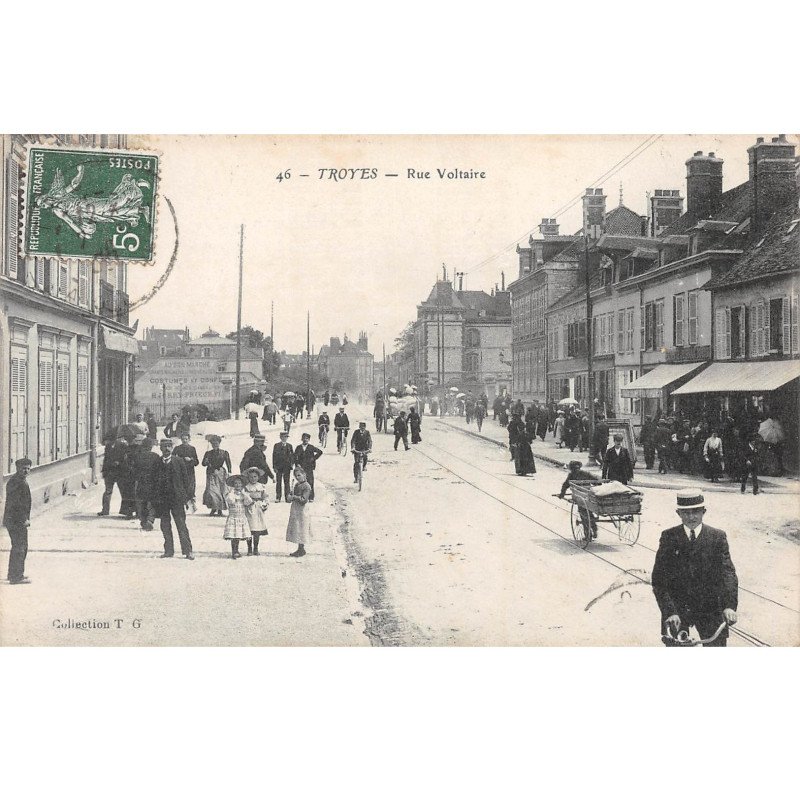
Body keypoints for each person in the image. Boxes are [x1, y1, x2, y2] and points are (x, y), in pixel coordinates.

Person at [652, 490, 738, 646]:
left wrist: (729, 606)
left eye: (696, 512)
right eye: (686, 513)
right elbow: (659, 579)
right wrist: (670, 612)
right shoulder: (669, 537)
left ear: (704, 512)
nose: (691, 517)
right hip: (677, 610)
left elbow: (728, 574)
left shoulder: (717, 537)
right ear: (678, 513)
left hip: (710, 609)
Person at [152, 438, 195, 560]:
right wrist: (154, 499)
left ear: (172, 448)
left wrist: (188, 497)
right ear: (160, 448)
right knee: (165, 525)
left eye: (169, 446)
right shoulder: (157, 463)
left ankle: (188, 551)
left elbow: (186, 480)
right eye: (164, 446)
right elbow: (153, 481)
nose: (166, 449)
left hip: (177, 499)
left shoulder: (179, 461)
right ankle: (168, 551)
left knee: (181, 525)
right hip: (163, 499)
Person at [3, 458, 32, 584]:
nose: (26, 471)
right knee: (20, 547)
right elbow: (16, 504)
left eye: (28, 468)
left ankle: (14, 573)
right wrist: (23, 519)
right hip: (16, 520)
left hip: (15, 520)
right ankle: (16, 576)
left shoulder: (19, 480)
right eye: (23, 468)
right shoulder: (16, 482)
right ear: (17, 468)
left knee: (19, 546)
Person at [555, 460, 600, 538]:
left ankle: (587, 535)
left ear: (571, 468)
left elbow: (565, 485)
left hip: (580, 497)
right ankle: (594, 528)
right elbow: (597, 481)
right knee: (589, 512)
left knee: (583, 514)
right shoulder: (586, 473)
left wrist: (562, 495)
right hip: (589, 497)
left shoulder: (571, 475)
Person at [98, 431, 129, 516]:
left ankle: (107, 510)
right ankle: (108, 510)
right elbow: (107, 459)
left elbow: (125, 458)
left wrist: (118, 462)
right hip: (113, 472)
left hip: (115, 472)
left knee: (115, 491)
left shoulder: (120, 445)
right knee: (116, 491)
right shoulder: (114, 446)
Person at [132, 435, 159, 531]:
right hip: (152, 483)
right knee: (151, 502)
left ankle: (143, 521)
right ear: (151, 447)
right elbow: (159, 471)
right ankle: (150, 520)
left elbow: (133, 470)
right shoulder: (156, 457)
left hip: (141, 482)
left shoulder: (138, 457)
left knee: (141, 502)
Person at [223, 474, 252, 559]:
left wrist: (244, 494)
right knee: (233, 535)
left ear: (242, 484)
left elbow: (248, 502)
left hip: (241, 517)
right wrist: (232, 492)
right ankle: (234, 551)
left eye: (239, 483)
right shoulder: (230, 494)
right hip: (233, 516)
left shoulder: (244, 494)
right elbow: (230, 501)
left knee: (239, 534)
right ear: (233, 485)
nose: (238, 485)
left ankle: (238, 550)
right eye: (236, 483)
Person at [201, 435, 231, 516]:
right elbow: (203, 464)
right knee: (212, 491)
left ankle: (220, 509)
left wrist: (229, 471)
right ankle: (213, 508)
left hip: (221, 473)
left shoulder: (224, 453)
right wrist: (206, 461)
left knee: (221, 491)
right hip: (211, 473)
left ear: (219, 443)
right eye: (213, 443)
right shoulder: (208, 453)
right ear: (211, 444)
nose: (215, 445)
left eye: (216, 443)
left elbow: (228, 462)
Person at [242, 467, 269, 555]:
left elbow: (265, 496)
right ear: (248, 478)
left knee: (257, 529)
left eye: (255, 477)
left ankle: (256, 548)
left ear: (258, 477)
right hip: (250, 508)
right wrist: (249, 500)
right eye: (251, 477)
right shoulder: (246, 487)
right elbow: (244, 496)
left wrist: (265, 504)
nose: (253, 479)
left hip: (258, 508)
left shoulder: (261, 486)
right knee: (250, 528)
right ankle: (249, 548)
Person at [286, 466, 312, 557]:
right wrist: (290, 495)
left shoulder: (307, 486)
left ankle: (301, 548)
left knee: (302, 528)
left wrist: (294, 497)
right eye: (296, 476)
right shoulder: (297, 485)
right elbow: (293, 496)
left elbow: (304, 499)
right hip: (296, 509)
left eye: (299, 475)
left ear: (304, 475)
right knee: (297, 528)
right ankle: (299, 548)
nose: (297, 477)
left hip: (302, 510)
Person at [173, 432, 199, 511]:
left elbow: (197, 462)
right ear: (181, 439)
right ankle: (182, 505)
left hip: (190, 472)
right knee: (181, 488)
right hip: (180, 471)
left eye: (186, 439)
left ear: (189, 439)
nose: (184, 441)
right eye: (183, 439)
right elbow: (172, 458)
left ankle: (190, 506)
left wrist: (191, 459)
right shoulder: (177, 448)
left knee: (190, 489)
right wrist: (179, 460)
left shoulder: (192, 448)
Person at [294, 433, 323, 501]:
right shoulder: (298, 447)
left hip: (309, 467)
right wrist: (297, 464)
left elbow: (320, 452)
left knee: (310, 481)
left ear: (309, 440)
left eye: (307, 439)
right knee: (301, 482)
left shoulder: (311, 447)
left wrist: (313, 458)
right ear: (302, 439)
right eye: (304, 438)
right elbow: (295, 457)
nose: (305, 440)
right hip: (301, 468)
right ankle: (302, 496)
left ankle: (311, 497)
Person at [272, 431, 295, 502]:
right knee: (278, 482)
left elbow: (292, 456)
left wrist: (291, 464)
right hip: (278, 467)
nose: (284, 438)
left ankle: (287, 497)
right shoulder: (276, 445)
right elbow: (274, 456)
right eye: (283, 437)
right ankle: (278, 497)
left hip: (287, 467)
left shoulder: (289, 446)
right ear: (280, 437)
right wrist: (274, 467)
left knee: (286, 482)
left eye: (286, 437)